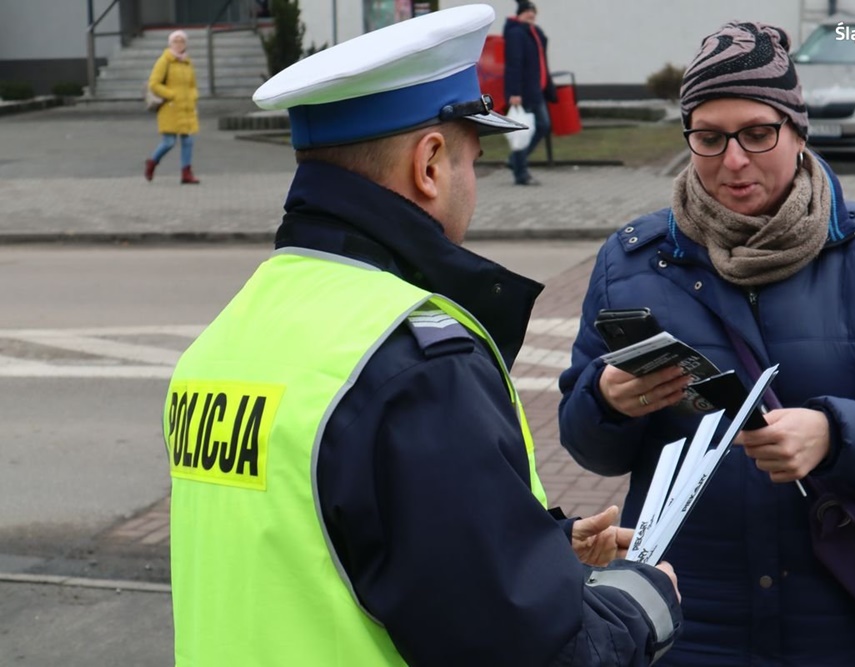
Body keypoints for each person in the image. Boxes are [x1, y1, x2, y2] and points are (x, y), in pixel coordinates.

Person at [162, 6, 682, 666]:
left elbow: (310, 545)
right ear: (430, 163)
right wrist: (641, 603)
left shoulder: (226, 338)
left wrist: (530, 546)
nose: (475, 185)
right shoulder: (415, 364)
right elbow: (537, 654)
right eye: (474, 160)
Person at [558, 21, 855, 667]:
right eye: (709, 137)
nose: (733, 159)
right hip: (686, 615)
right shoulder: (633, 260)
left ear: (798, 130)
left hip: (844, 614)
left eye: (758, 133)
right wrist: (608, 402)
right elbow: (589, 447)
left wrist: (834, 434)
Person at [504, 0, 557, 186]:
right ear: (519, 13)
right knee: (524, 131)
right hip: (524, 91)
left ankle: (515, 160)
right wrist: (514, 92)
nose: (531, 15)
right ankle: (521, 173)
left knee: (543, 125)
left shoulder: (532, 32)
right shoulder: (516, 33)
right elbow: (514, 64)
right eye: (527, 11)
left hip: (536, 89)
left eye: (533, 12)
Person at [144, 30, 200, 184]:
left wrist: (194, 96)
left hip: (187, 108)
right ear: (170, 44)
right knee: (169, 142)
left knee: (188, 141)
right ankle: (152, 162)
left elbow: (192, 85)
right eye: (176, 41)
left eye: (182, 41)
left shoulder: (187, 62)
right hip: (170, 108)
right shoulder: (165, 61)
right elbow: (154, 83)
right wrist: (171, 94)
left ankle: (186, 173)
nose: (179, 44)